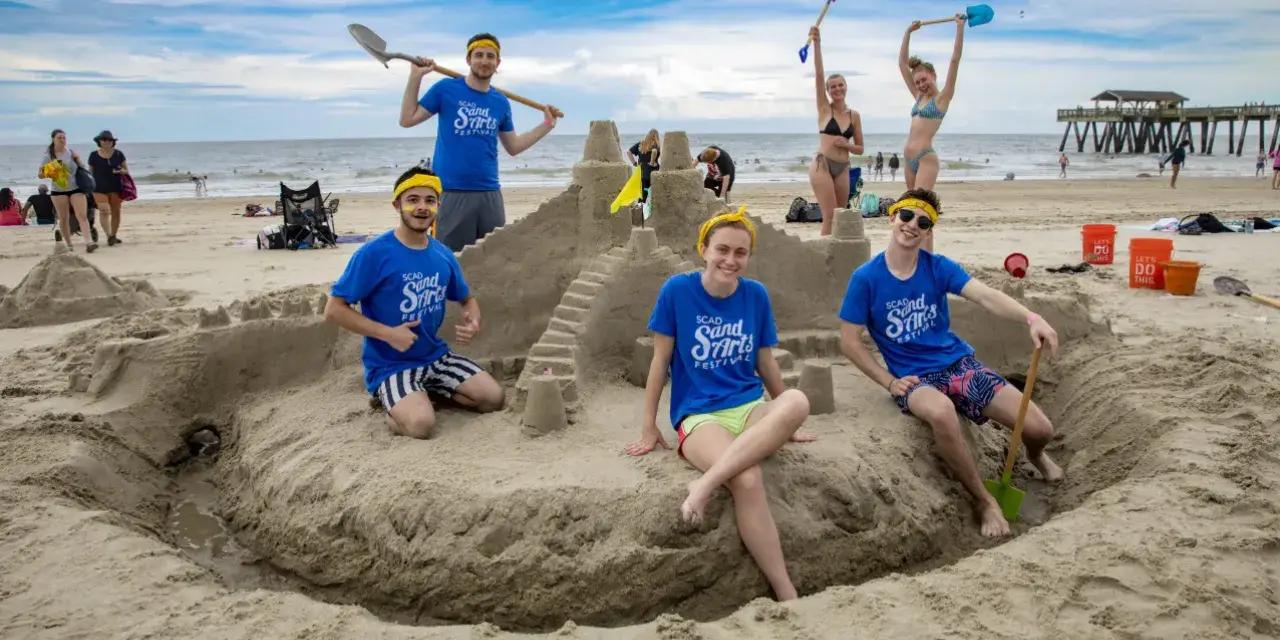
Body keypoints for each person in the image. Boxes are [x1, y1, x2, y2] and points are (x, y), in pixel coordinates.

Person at [837, 188, 1064, 538]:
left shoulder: (937, 267)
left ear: (929, 231)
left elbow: (986, 296)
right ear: (892, 216)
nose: (912, 225)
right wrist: (888, 381)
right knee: (942, 413)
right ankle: (983, 500)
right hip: (914, 379)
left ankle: (1035, 455)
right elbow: (849, 342)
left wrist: (1032, 318)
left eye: (923, 221)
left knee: (1040, 430)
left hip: (959, 366)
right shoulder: (866, 279)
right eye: (907, 215)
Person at [625, 205, 815, 601]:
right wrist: (649, 424)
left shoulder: (756, 295)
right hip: (700, 414)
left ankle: (705, 484)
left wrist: (784, 421)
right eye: (722, 250)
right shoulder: (677, 291)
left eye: (740, 253)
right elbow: (660, 362)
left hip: (748, 406)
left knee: (796, 401)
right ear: (704, 250)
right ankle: (786, 590)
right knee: (747, 478)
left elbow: (765, 362)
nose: (731, 260)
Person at [324, 167, 506, 439]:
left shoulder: (442, 254)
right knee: (421, 426)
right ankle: (392, 401)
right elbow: (334, 310)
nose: (422, 207)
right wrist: (388, 333)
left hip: (435, 356)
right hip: (391, 365)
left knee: (494, 399)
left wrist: (473, 319)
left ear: (438, 206)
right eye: (413, 200)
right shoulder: (375, 254)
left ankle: (424, 393)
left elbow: (467, 299)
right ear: (398, 204)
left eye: (429, 201)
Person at [399, 33, 561, 252]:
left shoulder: (500, 102)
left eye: (490, 56)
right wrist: (416, 76)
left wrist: (548, 124)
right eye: (479, 55)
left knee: (492, 258)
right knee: (451, 259)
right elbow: (407, 119)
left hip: (490, 193)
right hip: (452, 192)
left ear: (497, 63)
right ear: (468, 60)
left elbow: (513, 147)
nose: (484, 61)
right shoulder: (446, 89)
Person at [898, 14, 966, 252]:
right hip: (908, 160)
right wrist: (908, 32)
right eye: (917, 82)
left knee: (922, 210)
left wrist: (959, 28)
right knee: (910, 210)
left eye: (924, 79)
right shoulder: (918, 97)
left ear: (933, 76)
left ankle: (927, 256)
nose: (920, 85)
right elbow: (901, 64)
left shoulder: (941, 99)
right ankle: (916, 253)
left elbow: (955, 60)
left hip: (925, 158)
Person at [804, 25, 864, 237]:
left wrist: (846, 145)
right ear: (828, 92)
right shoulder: (824, 109)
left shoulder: (854, 115)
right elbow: (819, 75)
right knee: (829, 216)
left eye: (840, 85)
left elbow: (860, 149)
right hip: (823, 164)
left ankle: (837, 257)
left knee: (841, 216)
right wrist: (817, 43)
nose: (837, 89)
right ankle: (824, 261)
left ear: (845, 87)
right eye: (833, 87)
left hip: (843, 167)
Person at [37, 129, 96, 252]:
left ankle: (89, 242)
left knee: (82, 215)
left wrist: (78, 159)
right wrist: (52, 170)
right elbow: (40, 175)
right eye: (59, 138)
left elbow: (82, 167)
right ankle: (69, 244)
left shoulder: (71, 152)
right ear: (53, 139)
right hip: (58, 190)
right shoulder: (48, 155)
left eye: (64, 138)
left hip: (76, 188)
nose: (62, 140)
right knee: (64, 218)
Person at [88, 130, 130, 246]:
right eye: (104, 140)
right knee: (104, 210)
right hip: (98, 188)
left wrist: (121, 171)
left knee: (116, 213)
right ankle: (108, 235)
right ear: (99, 142)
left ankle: (113, 236)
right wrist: (87, 186)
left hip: (116, 187)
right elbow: (90, 172)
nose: (107, 142)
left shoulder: (118, 154)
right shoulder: (94, 155)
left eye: (109, 140)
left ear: (113, 142)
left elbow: (126, 170)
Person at [627, 129, 662, 203]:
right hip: (652, 170)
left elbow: (628, 152)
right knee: (654, 192)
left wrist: (634, 163)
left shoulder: (641, 144)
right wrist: (652, 163)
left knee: (643, 192)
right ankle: (650, 211)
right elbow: (654, 151)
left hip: (641, 171)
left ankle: (641, 210)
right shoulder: (655, 144)